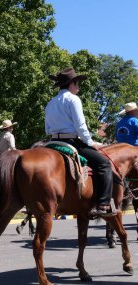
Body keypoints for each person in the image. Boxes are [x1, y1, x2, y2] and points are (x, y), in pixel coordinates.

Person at [45, 67, 116, 217]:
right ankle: (103, 204)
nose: (79, 87)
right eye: (78, 83)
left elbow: (47, 128)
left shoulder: (51, 102)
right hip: (71, 141)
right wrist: (90, 142)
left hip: (52, 142)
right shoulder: (73, 99)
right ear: (72, 84)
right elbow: (81, 126)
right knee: (104, 164)